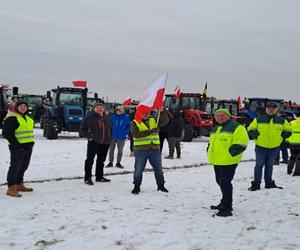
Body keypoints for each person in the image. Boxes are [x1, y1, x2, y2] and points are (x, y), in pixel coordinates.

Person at [207, 109, 249, 217]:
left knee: (225, 183)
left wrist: (230, 154)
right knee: (219, 181)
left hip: (228, 161)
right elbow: (211, 142)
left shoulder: (237, 127)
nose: (220, 117)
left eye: (222, 115)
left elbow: (242, 143)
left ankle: (227, 207)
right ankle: (224, 202)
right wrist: (208, 149)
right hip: (217, 160)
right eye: (217, 115)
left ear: (228, 116)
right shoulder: (215, 128)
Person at [248, 102, 292, 191]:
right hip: (261, 146)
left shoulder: (282, 121)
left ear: (276, 110)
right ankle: (256, 183)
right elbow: (250, 129)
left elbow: (288, 130)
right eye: (269, 108)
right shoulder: (258, 119)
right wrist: (257, 136)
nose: (271, 110)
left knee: (269, 165)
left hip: (274, 147)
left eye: (273, 108)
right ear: (266, 109)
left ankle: (268, 183)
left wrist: (282, 136)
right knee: (259, 165)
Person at [131, 109, 170, 194]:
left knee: (159, 169)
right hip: (141, 150)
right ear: (140, 113)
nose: (146, 114)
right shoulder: (135, 122)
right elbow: (136, 134)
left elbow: (165, 120)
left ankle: (161, 186)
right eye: (144, 112)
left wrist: (162, 111)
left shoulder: (154, 120)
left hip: (155, 149)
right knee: (138, 169)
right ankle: (136, 186)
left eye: (147, 112)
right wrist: (151, 131)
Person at [2, 100, 35, 197]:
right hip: (17, 147)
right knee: (15, 167)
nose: (23, 107)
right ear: (17, 107)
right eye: (21, 106)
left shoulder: (28, 119)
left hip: (28, 146)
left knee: (24, 166)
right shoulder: (12, 118)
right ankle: (11, 187)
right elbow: (7, 134)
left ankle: (19, 184)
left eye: (25, 106)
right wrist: (17, 146)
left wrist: (31, 144)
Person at [80, 102, 112, 185]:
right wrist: (89, 136)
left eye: (101, 107)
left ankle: (99, 177)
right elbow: (82, 129)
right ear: (94, 109)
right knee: (90, 160)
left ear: (104, 109)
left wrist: (110, 137)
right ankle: (87, 178)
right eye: (97, 107)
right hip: (93, 142)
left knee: (101, 161)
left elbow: (111, 129)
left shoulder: (107, 118)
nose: (99, 109)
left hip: (105, 142)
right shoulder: (89, 117)